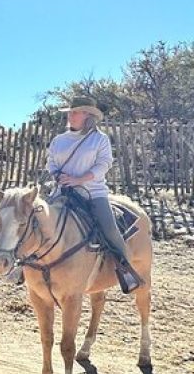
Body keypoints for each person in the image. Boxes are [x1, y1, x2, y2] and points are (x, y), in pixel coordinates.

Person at [47, 95, 141, 294]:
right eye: (70, 112)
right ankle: (22, 267)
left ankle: (125, 269)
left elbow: (104, 164)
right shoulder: (59, 140)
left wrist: (80, 179)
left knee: (110, 229)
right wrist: (58, 175)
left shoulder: (99, 139)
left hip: (92, 193)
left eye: (75, 112)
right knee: (35, 220)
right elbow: (51, 162)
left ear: (88, 116)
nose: (70, 116)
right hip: (62, 191)